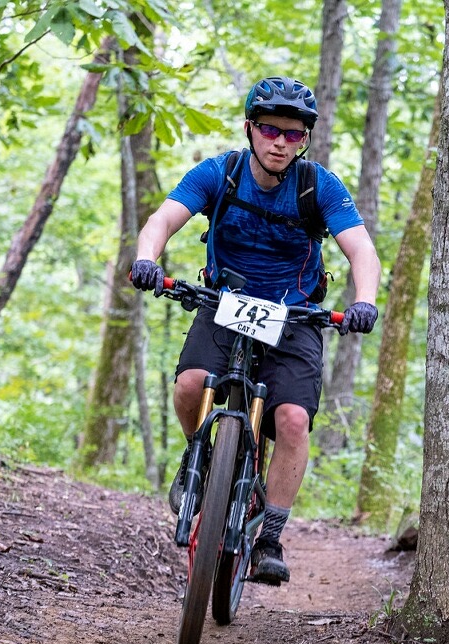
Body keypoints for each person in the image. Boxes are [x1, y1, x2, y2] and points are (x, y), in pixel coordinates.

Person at [130, 76, 381, 585]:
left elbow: (362, 250)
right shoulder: (220, 173)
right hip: (225, 303)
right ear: (251, 129)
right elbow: (161, 220)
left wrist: (365, 301)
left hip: (294, 317)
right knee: (189, 384)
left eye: (293, 134)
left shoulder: (318, 186)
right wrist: (145, 260)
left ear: (304, 139)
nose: (280, 142)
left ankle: (270, 536)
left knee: (291, 421)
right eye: (270, 129)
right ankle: (197, 457)